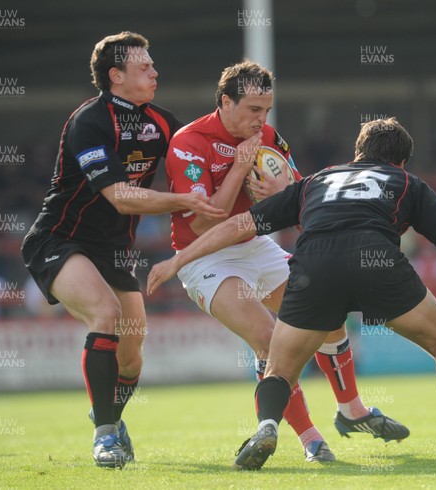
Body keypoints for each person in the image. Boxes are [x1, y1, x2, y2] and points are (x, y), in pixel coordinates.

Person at [148, 117, 436, 469]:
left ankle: (268, 428)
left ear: (357, 152)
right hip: (379, 267)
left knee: (279, 368)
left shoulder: (316, 181)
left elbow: (239, 225)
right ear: (401, 161)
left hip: (314, 271)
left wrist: (178, 261)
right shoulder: (405, 181)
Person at [157, 61, 409, 463]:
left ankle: (352, 410)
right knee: (267, 337)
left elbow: (305, 193)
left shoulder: (268, 136)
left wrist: (283, 188)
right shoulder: (189, 142)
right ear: (225, 101)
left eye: (267, 110)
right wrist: (240, 167)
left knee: (328, 314)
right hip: (207, 257)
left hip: (256, 246)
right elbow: (203, 220)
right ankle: (310, 439)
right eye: (254, 110)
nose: (263, 120)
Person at [21, 32, 225, 469]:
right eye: (144, 66)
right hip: (60, 239)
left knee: (131, 356)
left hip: (115, 250)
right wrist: (187, 201)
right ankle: (105, 436)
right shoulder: (89, 121)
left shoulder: (165, 122)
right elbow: (120, 196)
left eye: (153, 65)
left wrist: (239, 170)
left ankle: (107, 415)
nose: (155, 72)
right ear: (116, 76)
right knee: (105, 315)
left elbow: (196, 170)